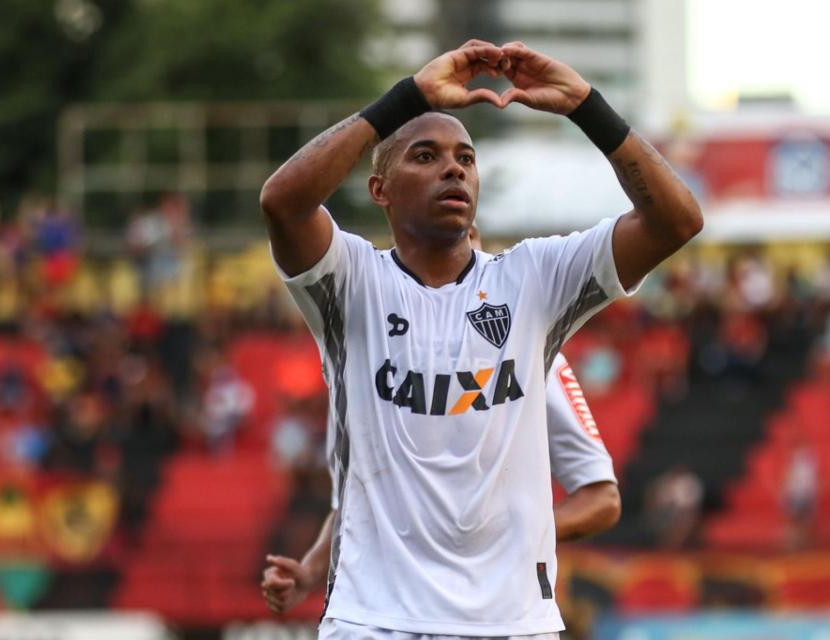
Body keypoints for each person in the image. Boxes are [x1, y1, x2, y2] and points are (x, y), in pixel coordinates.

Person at [260, 39, 701, 639]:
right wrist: (409, 97)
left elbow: (677, 221)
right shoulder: (351, 282)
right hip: (374, 620)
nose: (454, 169)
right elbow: (283, 202)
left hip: (512, 622)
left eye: (466, 159)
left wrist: (585, 106)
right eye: (425, 156)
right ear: (380, 190)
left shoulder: (536, 279)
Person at [261, 350, 621, 612]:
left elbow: (602, 499)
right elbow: (355, 503)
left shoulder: (535, 352)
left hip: (498, 611)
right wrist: (311, 570)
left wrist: (506, 534)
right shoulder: (365, 361)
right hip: (386, 612)